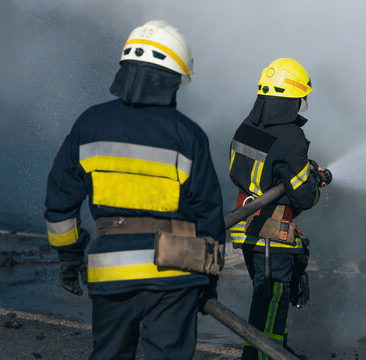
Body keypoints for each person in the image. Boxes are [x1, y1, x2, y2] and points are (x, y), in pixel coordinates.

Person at [44, 20, 225, 360]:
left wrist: (68, 256)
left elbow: (60, 199)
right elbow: (209, 214)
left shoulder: (89, 124)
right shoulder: (187, 134)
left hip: (111, 271)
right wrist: (208, 279)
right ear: (172, 80)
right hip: (176, 274)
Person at [228, 58, 331, 359]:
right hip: (273, 235)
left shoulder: (247, 126)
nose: (301, 103)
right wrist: (315, 180)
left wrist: (301, 172)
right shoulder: (291, 136)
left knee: (266, 299)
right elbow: (303, 197)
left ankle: (275, 351)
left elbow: (256, 170)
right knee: (270, 302)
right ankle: (264, 355)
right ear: (290, 99)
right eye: (300, 98)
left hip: (246, 229)